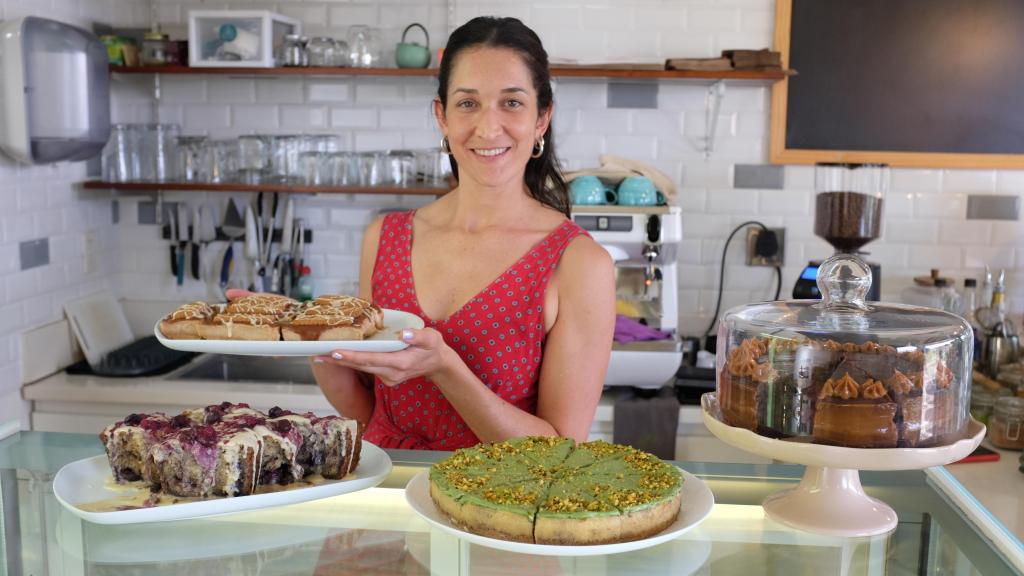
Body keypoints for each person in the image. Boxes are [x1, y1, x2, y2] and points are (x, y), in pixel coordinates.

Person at [306, 17, 614, 450]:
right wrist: (310, 342)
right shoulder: (385, 238)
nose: (488, 128)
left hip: (500, 511)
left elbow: (560, 454)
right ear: (442, 116)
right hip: (388, 505)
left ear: (542, 118)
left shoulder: (580, 264)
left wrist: (445, 369)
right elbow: (374, 418)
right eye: (468, 104)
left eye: (511, 103)